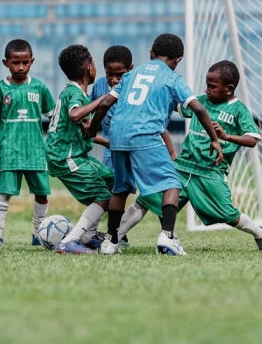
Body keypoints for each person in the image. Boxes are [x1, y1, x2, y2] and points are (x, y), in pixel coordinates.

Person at [114, 61, 262, 251]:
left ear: (229, 89)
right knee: (147, 199)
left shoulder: (238, 110)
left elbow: (252, 139)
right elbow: (176, 104)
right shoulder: (201, 102)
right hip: (182, 167)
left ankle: (261, 234)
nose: (207, 90)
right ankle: (114, 236)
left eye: (212, 87)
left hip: (210, 172)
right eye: (207, 85)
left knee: (227, 214)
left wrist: (226, 136)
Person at [88, 33, 223, 256]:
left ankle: (110, 242)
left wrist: (92, 130)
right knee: (172, 183)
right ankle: (167, 237)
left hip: (117, 137)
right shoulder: (172, 78)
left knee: (120, 189)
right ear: (178, 59)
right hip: (146, 135)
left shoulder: (131, 75)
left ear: (151, 53)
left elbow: (104, 104)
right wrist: (215, 139)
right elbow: (198, 109)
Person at [0, 39, 55, 247]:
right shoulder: (0, 89)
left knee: (42, 193)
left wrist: (53, 141)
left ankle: (38, 234)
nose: (21, 67)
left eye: (25, 62)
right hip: (10, 150)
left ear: (32, 61)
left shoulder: (39, 87)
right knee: (4, 192)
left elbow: (53, 117)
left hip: (35, 150)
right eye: (16, 62)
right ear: (5, 62)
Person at [45, 44, 115, 254]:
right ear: (89, 67)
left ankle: (88, 234)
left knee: (111, 179)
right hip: (66, 157)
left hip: (75, 154)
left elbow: (84, 129)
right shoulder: (75, 94)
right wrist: (104, 99)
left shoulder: (76, 94)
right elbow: (75, 115)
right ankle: (71, 240)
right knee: (104, 196)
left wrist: (107, 142)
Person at [90, 45, 134, 168]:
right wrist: (104, 141)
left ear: (130, 69)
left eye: (120, 75)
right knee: (111, 185)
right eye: (109, 74)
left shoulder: (136, 89)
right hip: (110, 151)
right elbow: (87, 121)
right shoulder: (99, 85)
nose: (114, 80)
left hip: (134, 149)